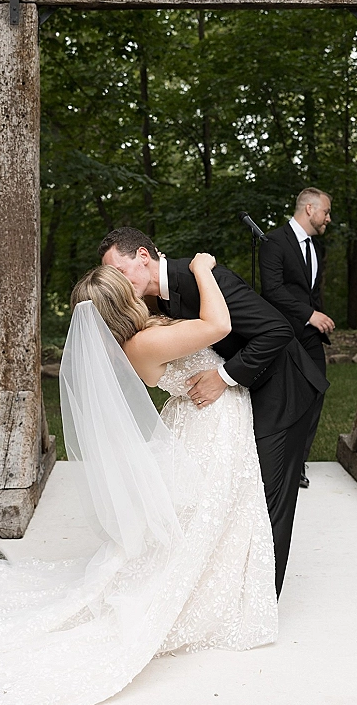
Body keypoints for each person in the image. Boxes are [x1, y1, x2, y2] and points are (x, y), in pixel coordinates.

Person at [0, 255, 277, 705]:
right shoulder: (149, 341)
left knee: (213, 518)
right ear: (123, 301)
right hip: (211, 427)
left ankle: (218, 590)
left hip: (205, 420)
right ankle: (209, 599)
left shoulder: (134, 344)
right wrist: (203, 266)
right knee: (212, 517)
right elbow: (219, 324)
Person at [99, 228, 329, 597]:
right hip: (241, 397)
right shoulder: (152, 302)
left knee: (269, 497)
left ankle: (259, 599)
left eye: (120, 271)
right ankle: (230, 588)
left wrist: (223, 377)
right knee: (240, 493)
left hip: (283, 390)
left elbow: (276, 330)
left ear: (143, 255)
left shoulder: (206, 278)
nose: (119, 282)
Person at [258, 188, 335, 489]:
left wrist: (316, 318)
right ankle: (279, 461)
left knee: (316, 391)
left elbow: (309, 290)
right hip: (283, 333)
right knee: (283, 397)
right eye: (326, 212)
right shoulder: (273, 242)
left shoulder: (314, 247)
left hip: (310, 335)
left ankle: (298, 462)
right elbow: (273, 290)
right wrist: (309, 314)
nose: (328, 218)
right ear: (309, 208)